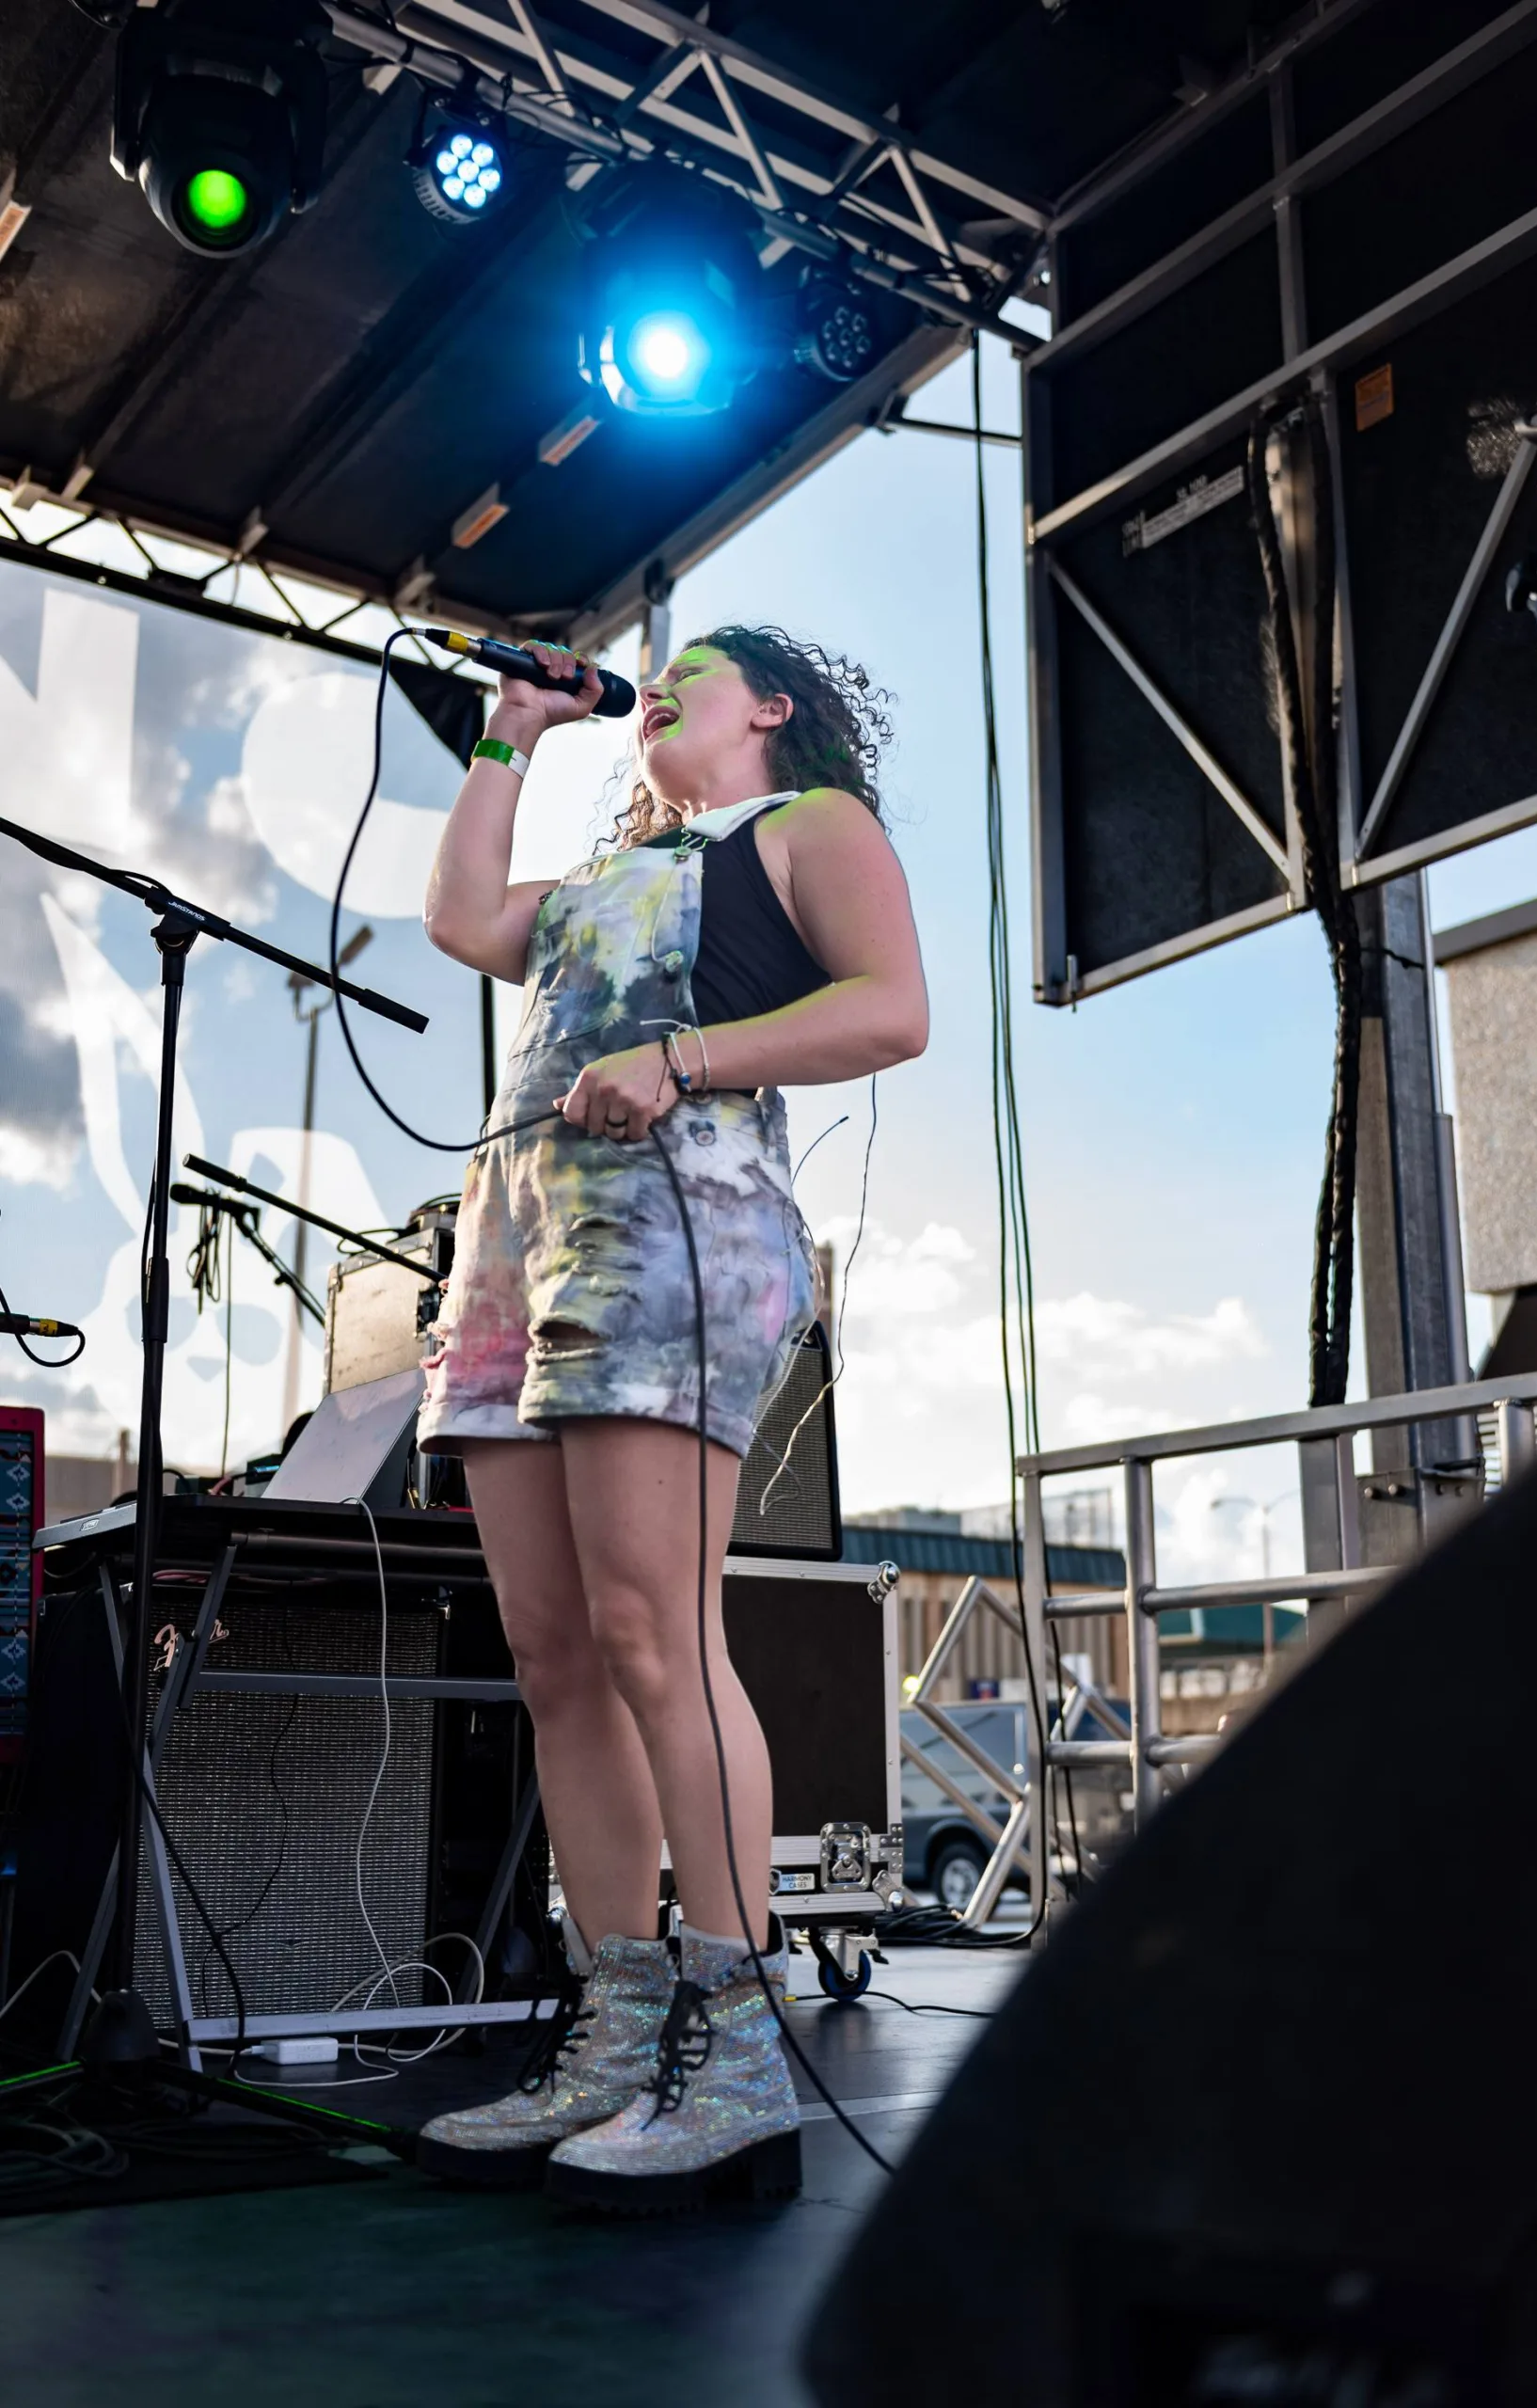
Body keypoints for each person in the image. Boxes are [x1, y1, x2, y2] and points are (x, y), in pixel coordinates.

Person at [412, 624, 927, 2211]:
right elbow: (461, 921)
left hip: (676, 1221)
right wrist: (511, 733)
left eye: (691, 665)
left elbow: (893, 1010)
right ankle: (620, 2027)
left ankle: (741, 2043)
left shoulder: (808, 824)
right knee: (554, 1655)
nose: (658, 683)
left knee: (654, 1633)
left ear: (770, 704)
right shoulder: (602, 879)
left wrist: (686, 1056)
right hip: (518, 1236)